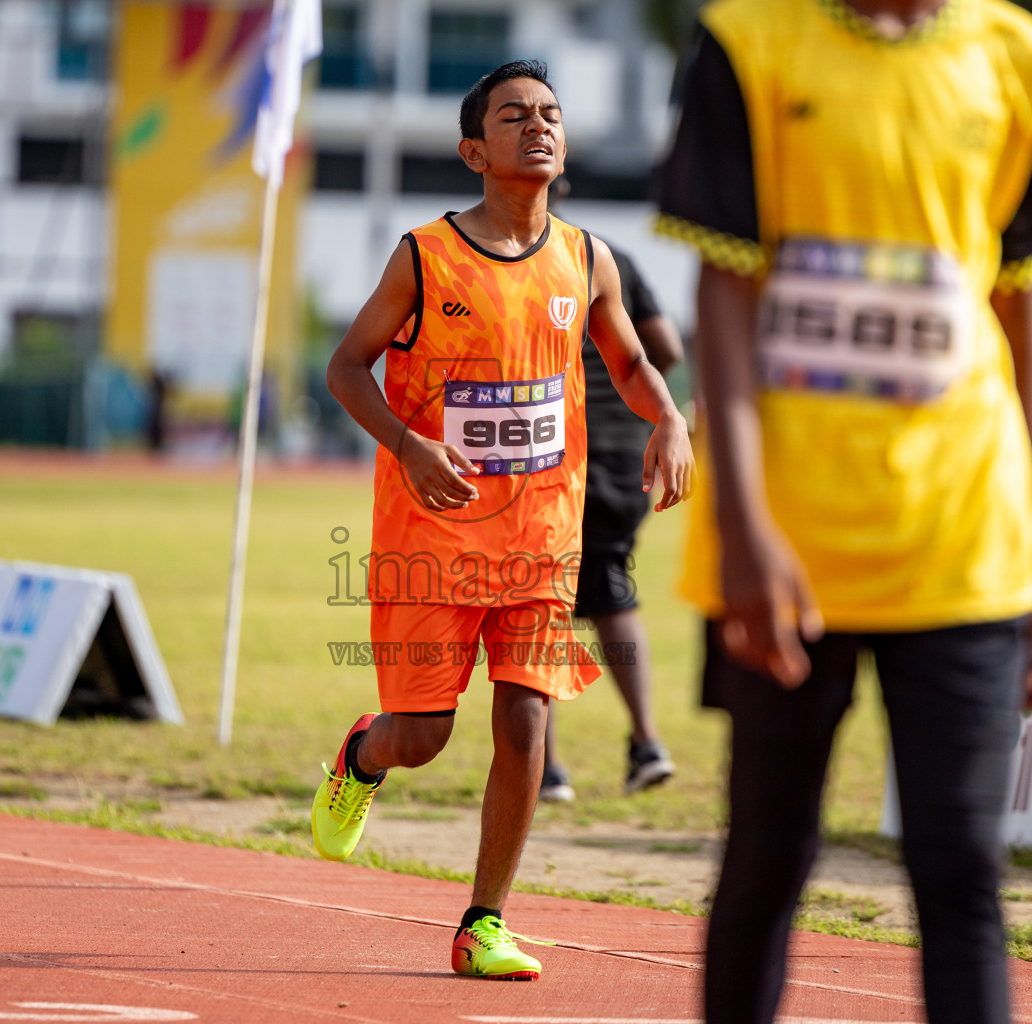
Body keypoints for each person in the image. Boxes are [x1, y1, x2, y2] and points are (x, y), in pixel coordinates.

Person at [655, 1, 1032, 1021]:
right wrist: (745, 525)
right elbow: (726, 288)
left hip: (967, 538)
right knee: (766, 853)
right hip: (788, 543)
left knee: (963, 866)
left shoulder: (1023, 61)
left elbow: (1018, 307)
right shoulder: (748, 43)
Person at [317, 60, 693, 982]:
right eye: (515, 115)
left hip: (539, 535)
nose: (539, 126)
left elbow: (635, 365)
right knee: (426, 737)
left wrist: (671, 419)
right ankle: (364, 755)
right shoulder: (423, 254)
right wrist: (408, 445)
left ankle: (482, 922)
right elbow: (345, 368)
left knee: (525, 717)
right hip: (432, 536)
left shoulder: (588, 257)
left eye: (551, 114)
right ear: (473, 149)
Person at [541, 240, 683, 803]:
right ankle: (647, 742)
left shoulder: (517, 254)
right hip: (627, 454)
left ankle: (547, 768)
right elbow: (666, 347)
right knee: (611, 585)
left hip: (555, 450)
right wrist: (631, 392)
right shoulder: (613, 257)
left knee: (540, 598)